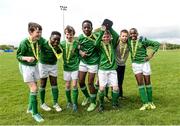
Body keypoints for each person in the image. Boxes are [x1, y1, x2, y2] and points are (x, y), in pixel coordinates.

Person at [16, 22, 44, 122]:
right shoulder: (24, 42)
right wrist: (26, 58)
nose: (39, 35)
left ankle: (30, 107)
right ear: (30, 32)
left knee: (34, 88)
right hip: (26, 66)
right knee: (34, 88)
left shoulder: (39, 40)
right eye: (37, 32)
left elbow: (46, 44)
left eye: (40, 32)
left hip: (35, 65)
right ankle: (35, 113)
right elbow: (18, 56)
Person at [128, 28, 160, 110]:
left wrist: (150, 55)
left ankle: (150, 102)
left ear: (137, 33)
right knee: (140, 83)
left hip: (145, 64)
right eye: (131, 34)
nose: (132, 35)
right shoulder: (128, 41)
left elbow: (156, 44)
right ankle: (145, 103)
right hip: (135, 65)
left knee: (148, 82)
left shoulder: (143, 41)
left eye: (134, 33)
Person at [96, 19, 120, 112]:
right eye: (104, 37)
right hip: (102, 70)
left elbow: (116, 36)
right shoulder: (100, 45)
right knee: (101, 88)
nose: (106, 38)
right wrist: (102, 30)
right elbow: (96, 42)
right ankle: (101, 105)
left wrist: (110, 27)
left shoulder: (112, 43)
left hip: (112, 70)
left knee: (115, 87)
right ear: (102, 37)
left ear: (110, 37)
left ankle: (114, 104)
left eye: (108, 36)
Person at [78, 20, 99, 111]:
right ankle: (87, 97)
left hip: (93, 62)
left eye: (88, 27)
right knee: (81, 81)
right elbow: (77, 47)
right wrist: (80, 52)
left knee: (90, 83)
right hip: (83, 62)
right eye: (84, 27)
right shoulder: (80, 37)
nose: (86, 29)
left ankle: (93, 102)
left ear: (91, 28)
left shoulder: (96, 36)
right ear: (82, 28)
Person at [38, 31, 62, 112]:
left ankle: (55, 103)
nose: (56, 41)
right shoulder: (43, 42)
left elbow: (60, 55)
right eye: (54, 39)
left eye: (58, 40)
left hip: (53, 66)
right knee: (42, 84)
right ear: (50, 38)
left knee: (54, 83)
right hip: (43, 65)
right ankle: (42, 103)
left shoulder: (59, 47)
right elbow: (36, 36)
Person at [60, 25, 79, 112]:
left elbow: (80, 51)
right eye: (67, 34)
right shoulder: (62, 43)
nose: (69, 36)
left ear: (73, 34)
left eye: (70, 34)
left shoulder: (76, 43)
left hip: (75, 67)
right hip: (66, 68)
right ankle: (69, 102)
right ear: (65, 34)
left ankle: (75, 103)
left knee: (74, 85)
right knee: (67, 85)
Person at [116, 29, 129, 99]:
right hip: (115, 65)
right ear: (120, 36)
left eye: (126, 36)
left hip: (123, 65)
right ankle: (115, 96)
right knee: (115, 81)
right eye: (123, 36)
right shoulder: (116, 42)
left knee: (120, 81)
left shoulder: (128, 44)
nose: (124, 37)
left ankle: (120, 95)